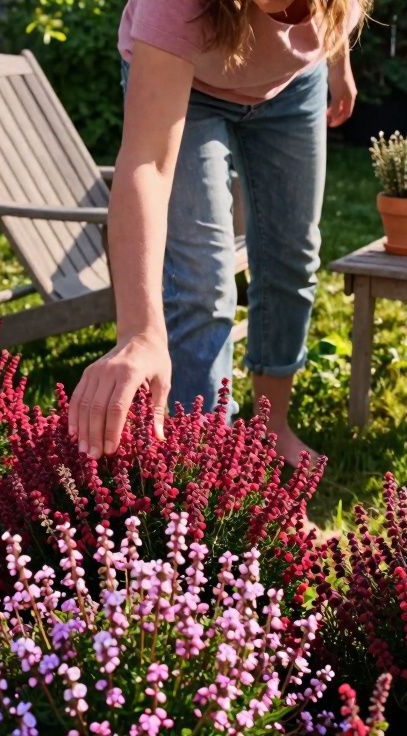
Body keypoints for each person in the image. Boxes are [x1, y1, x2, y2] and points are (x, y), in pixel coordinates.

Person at [68, 0, 368, 461]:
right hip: (187, 79)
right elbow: (147, 164)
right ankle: (205, 467)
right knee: (201, 285)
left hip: (293, 83)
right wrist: (139, 333)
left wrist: (337, 63)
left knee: (292, 258)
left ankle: (271, 429)